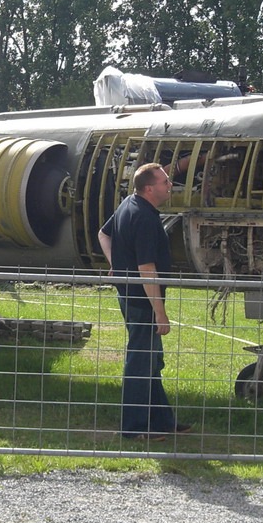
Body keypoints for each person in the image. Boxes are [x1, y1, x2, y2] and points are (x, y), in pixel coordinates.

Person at [97, 162, 191, 441]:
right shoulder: (145, 218)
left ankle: (162, 421)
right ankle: (134, 428)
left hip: (130, 296)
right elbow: (147, 268)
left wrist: (116, 264)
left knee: (151, 360)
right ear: (149, 189)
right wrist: (159, 312)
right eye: (165, 182)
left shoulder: (129, 203)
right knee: (140, 361)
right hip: (142, 301)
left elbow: (103, 234)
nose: (170, 185)